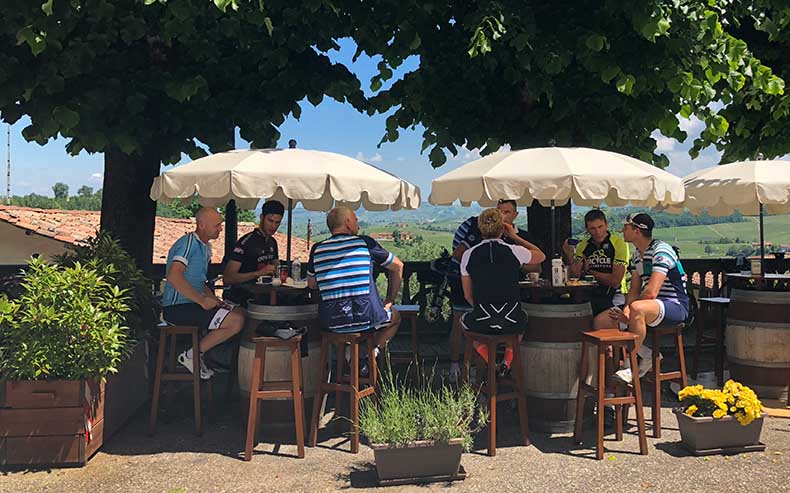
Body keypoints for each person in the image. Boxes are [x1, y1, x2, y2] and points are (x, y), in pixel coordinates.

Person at [447, 201, 544, 382]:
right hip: (512, 319)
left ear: (481, 229)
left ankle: (490, 360)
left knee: (463, 322)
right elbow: (540, 256)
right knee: (522, 322)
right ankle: (506, 363)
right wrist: (515, 236)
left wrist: (481, 309)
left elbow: (468, 295)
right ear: (502, 229)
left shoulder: (468, 255)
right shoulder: (514, 250)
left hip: (481, 319)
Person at [161, 207, 245, 379]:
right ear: (201, 225)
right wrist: (201, 300)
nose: (220, 229)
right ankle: (192, 355)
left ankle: (195, 354)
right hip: (177, 308)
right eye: (216, 225)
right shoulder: (188, 243)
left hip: (191, 305)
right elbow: (174, 275)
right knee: (236, 321)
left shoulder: (206, 248)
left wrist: (214, 299)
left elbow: (200, 283)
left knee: (238, 313)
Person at [307, 207, 403, 353]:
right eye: (355, 220)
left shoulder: (317, 249)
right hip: (366, 317)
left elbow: (312, 284)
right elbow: (398, 266)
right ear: (347, 222)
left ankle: (349, 361)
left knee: (345, 332)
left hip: (331, 321)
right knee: (395, 318)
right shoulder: (365, 243)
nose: (358, 224)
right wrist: (390, 299)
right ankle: (371, 355)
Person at [612, 212, 690, 383]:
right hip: (652, 306)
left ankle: (629, 366)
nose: (622, 230)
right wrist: (626, 308)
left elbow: (651, 292)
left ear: (637, 231)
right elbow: (634, 288)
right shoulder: (636, 255)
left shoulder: (661, 250)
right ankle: (646, 355)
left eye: (625, 227)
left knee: (637, 309)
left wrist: (631, 310)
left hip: (675, 306)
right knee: (607, 319)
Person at [562, 209, 630, 328]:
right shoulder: (583, 245)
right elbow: (575, 276)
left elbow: (615, 281)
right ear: (587, 229)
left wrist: (590, 271)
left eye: (600, 226)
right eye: (592, 228)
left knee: (599, 323)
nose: (597, 231)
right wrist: (569, 256)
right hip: (590, 296)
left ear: (606, 225)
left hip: (614, 296)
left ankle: (617, 345)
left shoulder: (619, 243)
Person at [222, 200, 285, 305]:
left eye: (277, 222)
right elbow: (228, 278)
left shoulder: (272, 242)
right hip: (241, 298)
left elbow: (277, 268)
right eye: (270, 221)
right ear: (261, 217)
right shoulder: (245, 243)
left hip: (265, 297)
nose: (273, 226)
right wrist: (258, 273)